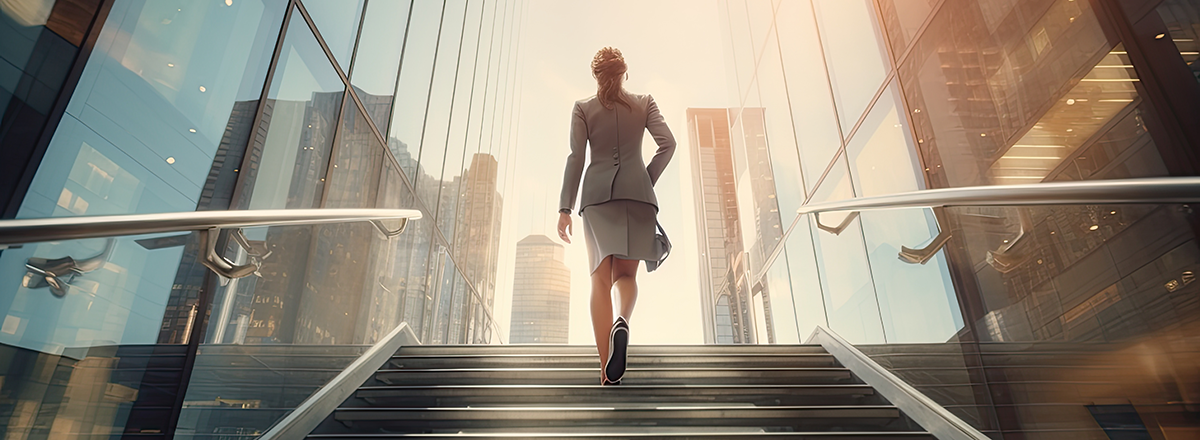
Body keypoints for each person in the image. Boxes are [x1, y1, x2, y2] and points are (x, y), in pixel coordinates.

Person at [557, 47, 676, 385]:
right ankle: (622, 320)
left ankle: (605, 369)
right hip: (638, 197)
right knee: (627, 275)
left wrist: (565, 207)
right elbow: (668, 143)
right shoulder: (645, 102)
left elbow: (576, 158)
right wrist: (645, 180)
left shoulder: (583, 108)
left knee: (599, 278)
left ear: (596, 76)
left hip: (596, 200)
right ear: (625, 72)